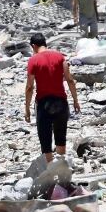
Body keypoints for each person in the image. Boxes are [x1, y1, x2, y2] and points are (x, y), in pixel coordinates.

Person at [25, 32, 81, 162]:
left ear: (33, 46)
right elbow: (70, 80)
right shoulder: (60, 57)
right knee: (61, 139)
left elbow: (29, 87)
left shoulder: (33, 60)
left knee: (45, 141)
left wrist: (27, 108)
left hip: (44, 104)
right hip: (61, 102)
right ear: (45, 43)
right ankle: (62, 173)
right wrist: (76, 101)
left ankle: (51, 174)